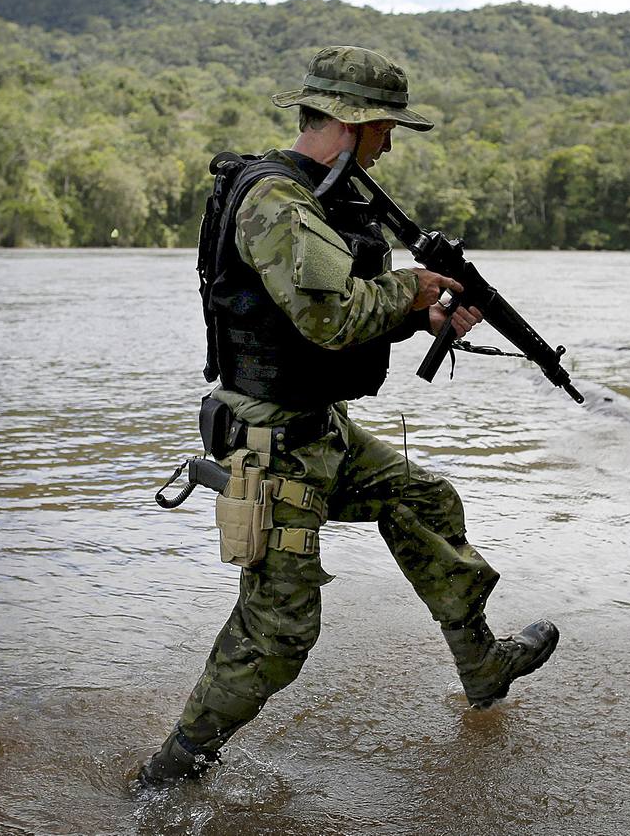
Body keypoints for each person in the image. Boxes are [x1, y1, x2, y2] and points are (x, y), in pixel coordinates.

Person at [137, 46, 559, 787]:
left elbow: (333, 317)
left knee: (425, 499)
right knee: (278, 636)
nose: (391, 143)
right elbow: (328, 321)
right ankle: (172, 769)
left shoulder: (318, 195)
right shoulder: (275, 200)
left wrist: (419, 316)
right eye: (385, 127)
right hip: (274, 446)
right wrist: (411, 291)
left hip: (317, 426)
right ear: (351, 121)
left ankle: (482, 667)